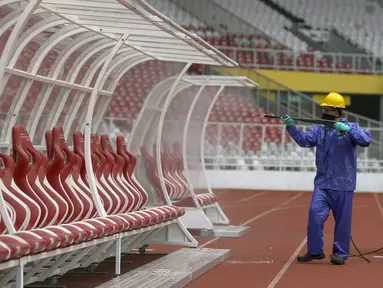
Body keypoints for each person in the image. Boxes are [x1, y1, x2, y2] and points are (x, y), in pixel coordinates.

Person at [281, 92, 371, 265]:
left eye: (327, 109)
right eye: (323, 108)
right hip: (322, 184)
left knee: (342, 223)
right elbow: (304, 141)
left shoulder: (351, 127)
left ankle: (340, 254)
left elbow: (365, 140)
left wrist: (349, 130)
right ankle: (315, 251)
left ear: (336, 111)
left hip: (344, 185)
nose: (324, 111)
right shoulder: (318, 129)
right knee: (314, 215)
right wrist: (291, 127)